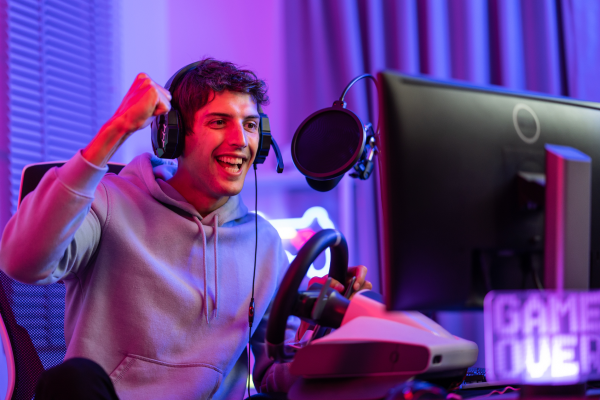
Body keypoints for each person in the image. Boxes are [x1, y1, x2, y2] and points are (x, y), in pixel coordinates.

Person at [0, 58, 372, 399]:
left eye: (250, 125)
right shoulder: (109, 202)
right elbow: (21, 262)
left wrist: (333, 334)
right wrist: (116, 130)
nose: (239, 141)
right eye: (219, 122)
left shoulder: (266, 245)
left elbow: (274, 377)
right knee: (71, 381)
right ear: (173, 135)